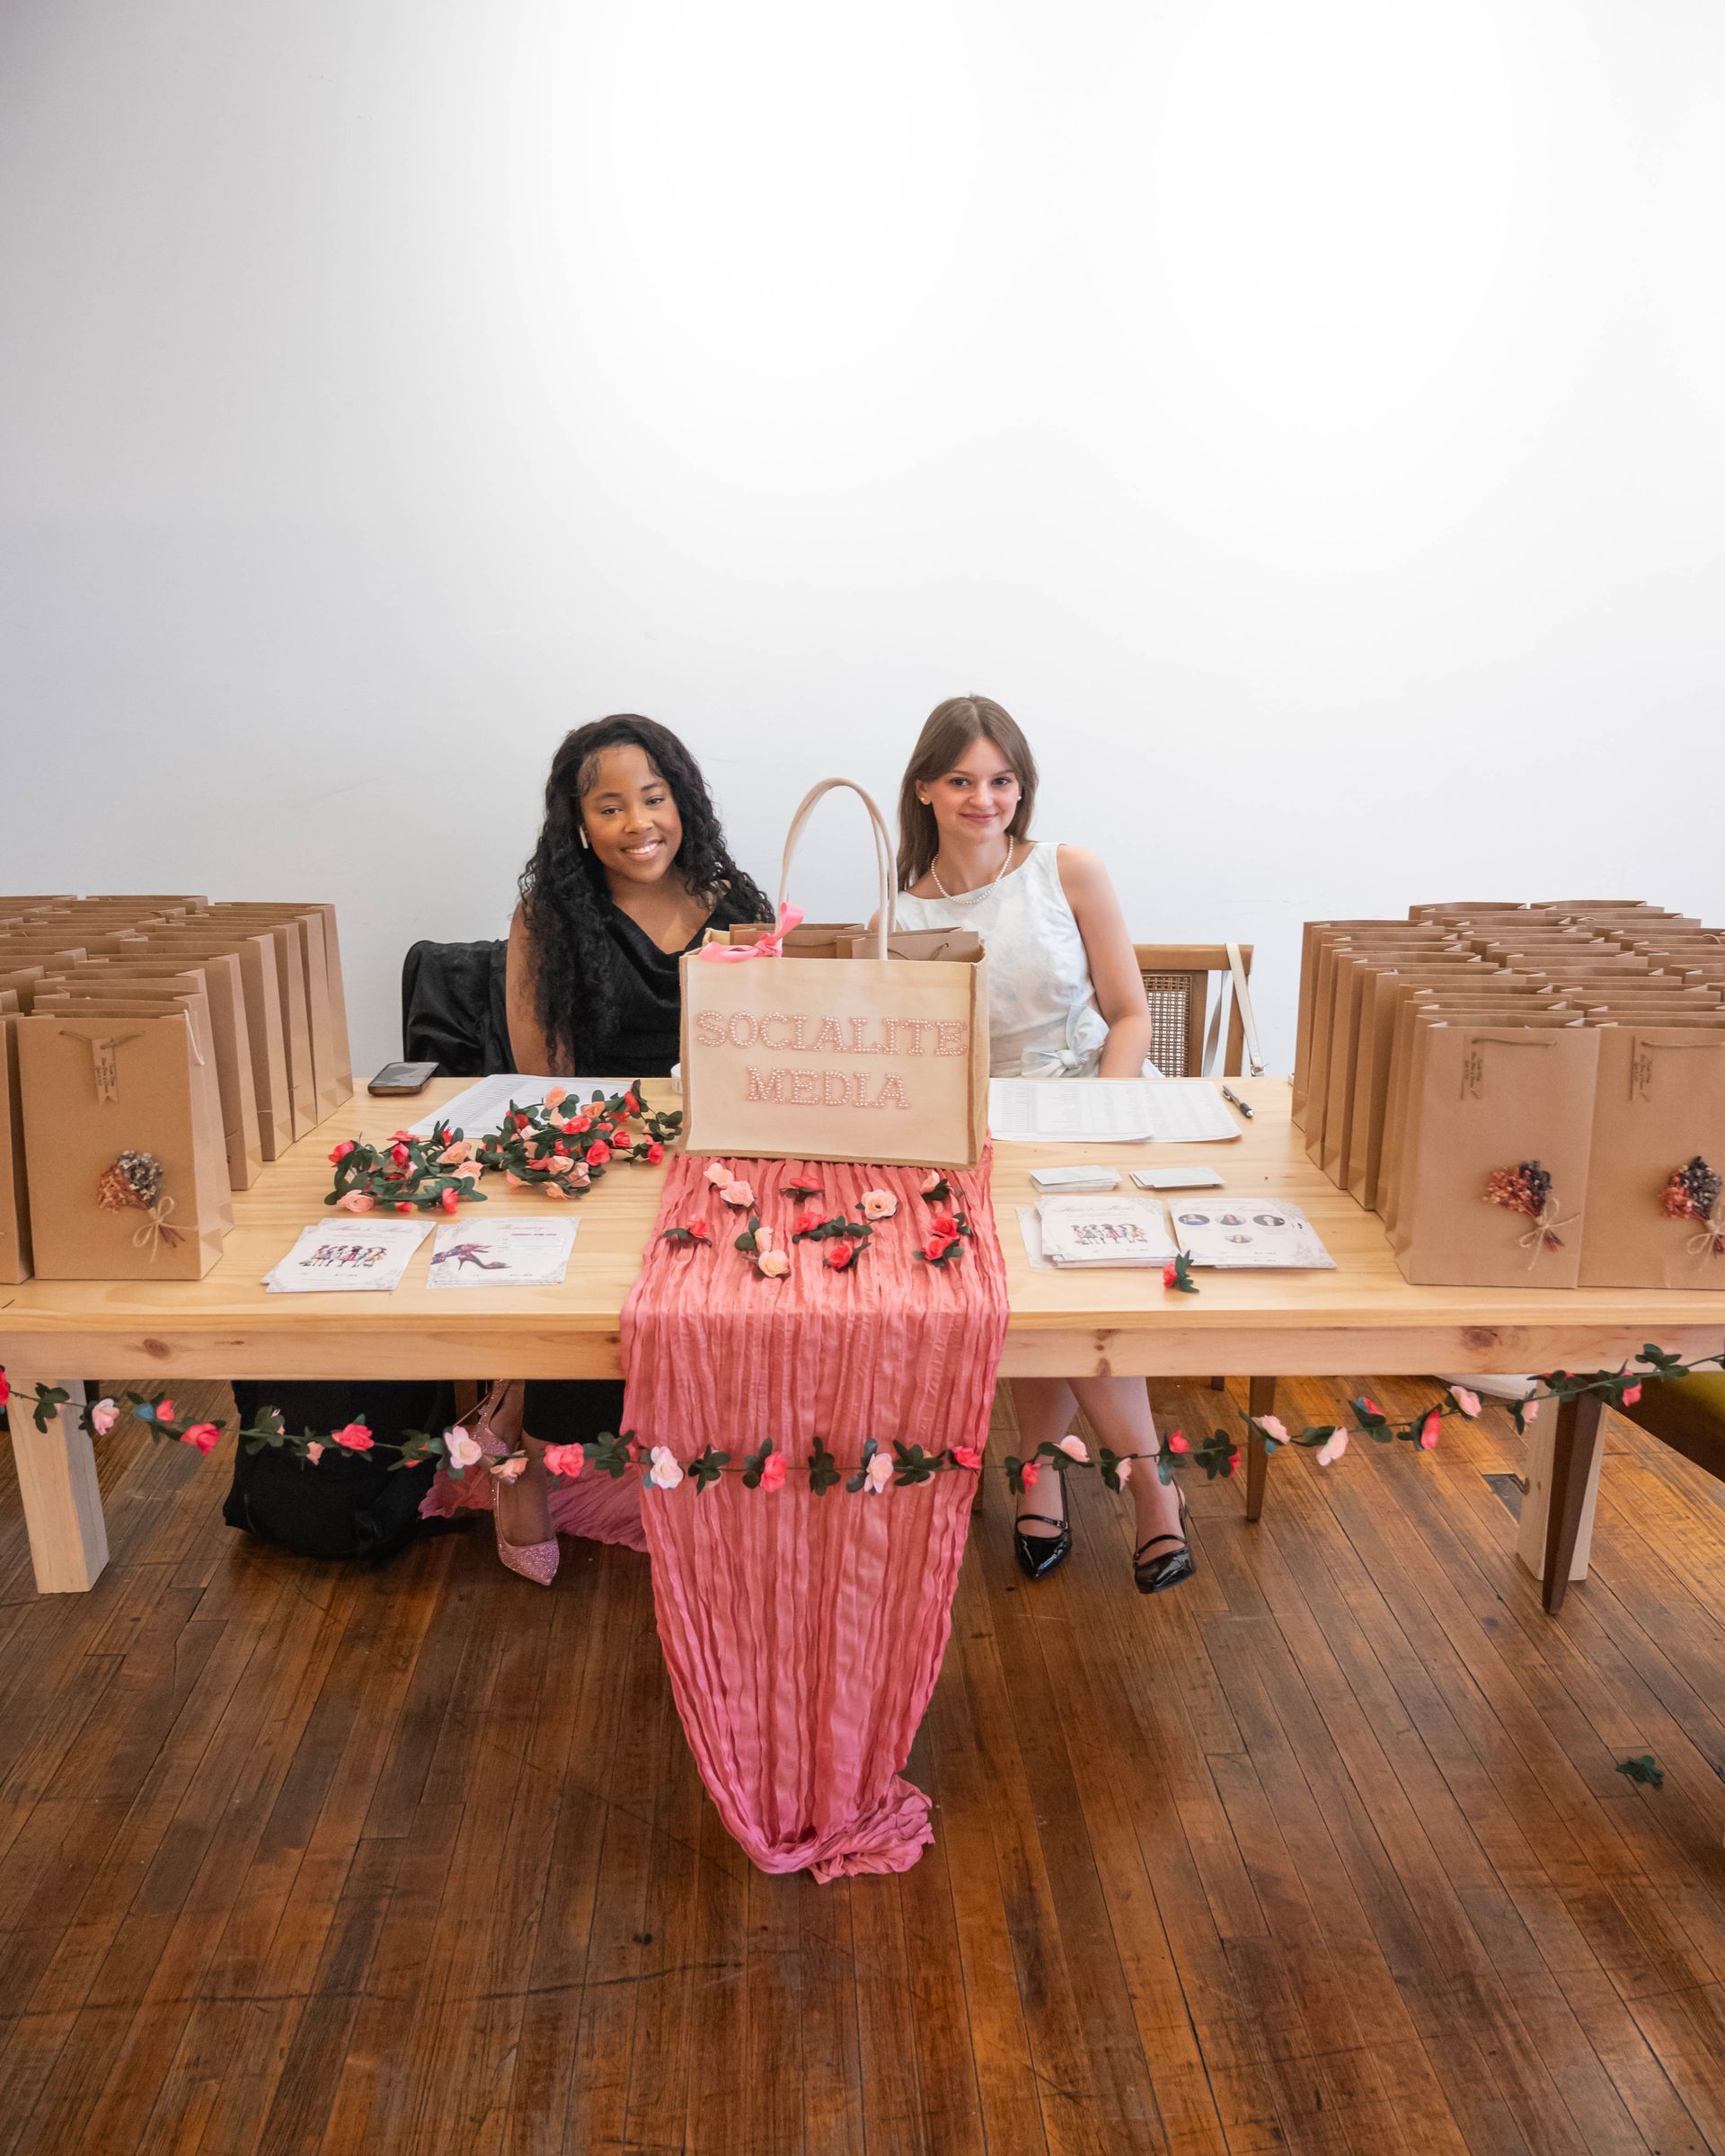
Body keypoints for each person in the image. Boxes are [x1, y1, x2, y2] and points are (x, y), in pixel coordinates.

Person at [460, 715, 774, 1580]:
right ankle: (523, 1445)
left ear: (682, 802)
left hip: (717, 1149)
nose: (638, 823)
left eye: (654, 798)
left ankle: (718, 1465)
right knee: (593, 1284)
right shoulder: (549, 917)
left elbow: (766, 1049)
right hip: (593, 1148)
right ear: (578, 823)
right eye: (610, 807)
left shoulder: (735, 903)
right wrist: (615, 1161)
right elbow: (543, 1079)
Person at [892, 694, 1193, 1594]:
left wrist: (1098, 1116)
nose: (984, 800)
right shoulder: (899, 914)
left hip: (1099, 1105)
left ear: (1022, 788)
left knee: (1082, 1288)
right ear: (924, 790)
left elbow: (1130, 1014)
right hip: (984, 1129)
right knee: (1026, 1297)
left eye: (1002, 781)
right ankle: (1056, 1477)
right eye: (961, 781)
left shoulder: (1068, 869)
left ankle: (1138, 1487)